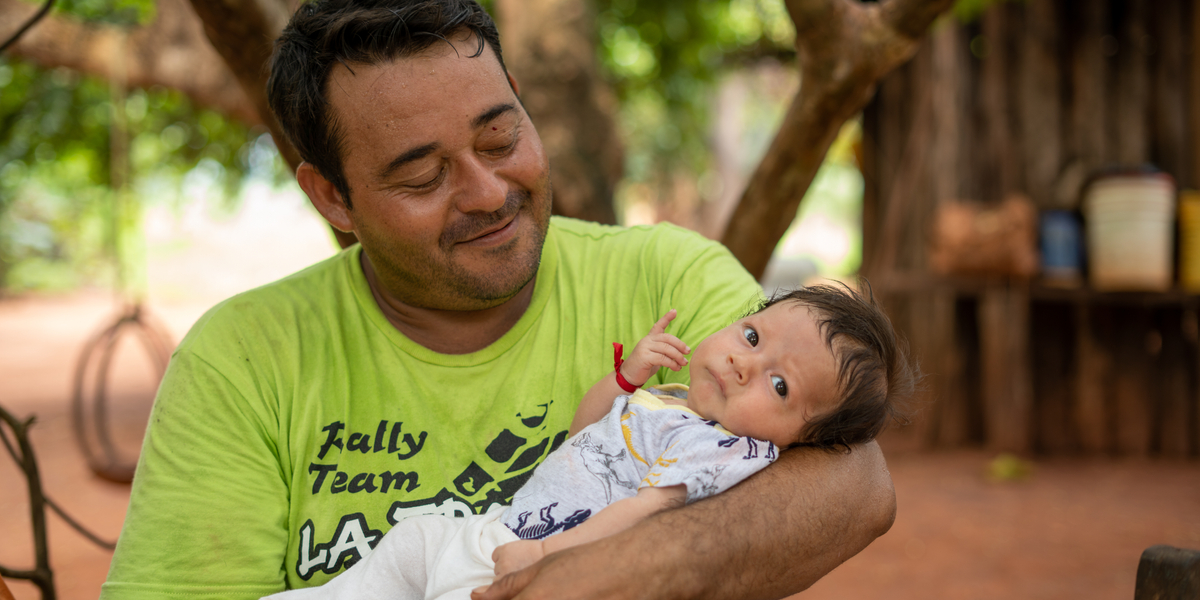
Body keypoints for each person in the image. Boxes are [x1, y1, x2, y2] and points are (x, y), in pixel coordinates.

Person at [100, 1, 899, 598]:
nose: (487, 193)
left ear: (520, 98)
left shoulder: (667, 277)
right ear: (333, 198)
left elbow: (856, 486)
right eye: (422, 175)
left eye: (499, 138)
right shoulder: (242, 362)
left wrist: (621, 567)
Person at [263, 284, 915, 599]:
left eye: (779, 386)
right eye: (751, 335)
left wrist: (548, 556)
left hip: (528, 554)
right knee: (402, 548)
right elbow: (583, 433)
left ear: (800, 440)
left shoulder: (723, 452)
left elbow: (642, 511)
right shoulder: (667, 402)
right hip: (490, 527)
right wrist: (625, 377)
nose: (747, 363)